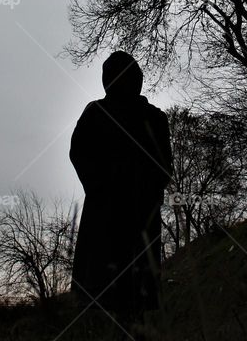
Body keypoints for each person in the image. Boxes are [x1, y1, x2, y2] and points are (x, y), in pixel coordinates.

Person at [70, 51, 172, 332]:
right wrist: (101, 186)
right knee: (101, 291)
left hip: (139, 216)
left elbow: (163, 166)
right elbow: (79, 154)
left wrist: (146, 191)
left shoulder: (155, 118)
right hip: (105, 214)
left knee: (134, 295)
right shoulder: (96, 114)